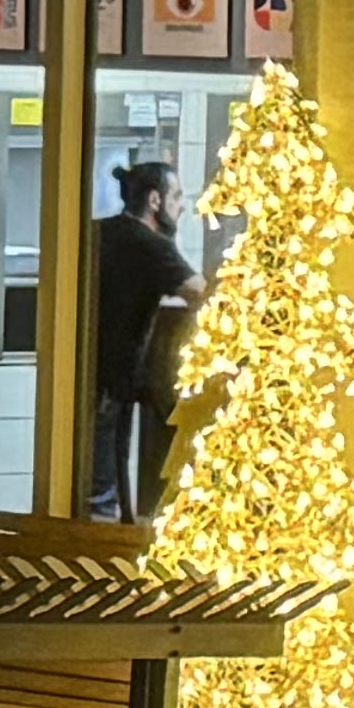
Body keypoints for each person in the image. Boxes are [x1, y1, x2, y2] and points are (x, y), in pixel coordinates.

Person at [89, 156, 196, 519]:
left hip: (84, 374)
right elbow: (200, 293)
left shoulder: (99, 231)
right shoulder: (151, 246)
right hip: (113, 379)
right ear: (154, 201)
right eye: (177, 197)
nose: (182, 207)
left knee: (91, 479)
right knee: (102, 487)